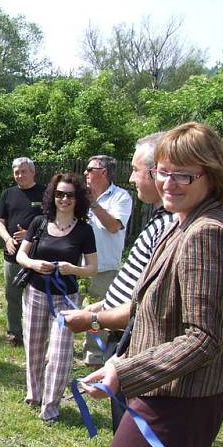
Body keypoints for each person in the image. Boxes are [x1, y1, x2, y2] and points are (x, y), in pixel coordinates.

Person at [80, 122, 223, 447]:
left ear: (211, 175)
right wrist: (120, 358)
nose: (168, 183)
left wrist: (125, 373)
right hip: (163, 392)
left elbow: (203, 338)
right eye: (164, 172)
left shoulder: (205, 234)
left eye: (183, 175)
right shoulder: (182, 222)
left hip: (179, 403)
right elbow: (151, 310)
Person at [63, 133, 175, 434]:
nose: (132, 177)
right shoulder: (165, 218)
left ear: (158, 173)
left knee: (133, 434)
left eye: (136, 170)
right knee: (123, 427)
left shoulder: (164, 219)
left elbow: (150, 305)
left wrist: (94, 317)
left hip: (137, 336)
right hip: (115, 317)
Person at [15, 173, 97, 424]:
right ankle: (34, 394)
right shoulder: (39, 222)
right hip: (36, 294)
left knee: (61, 354)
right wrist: (35, 264)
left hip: (66, 299)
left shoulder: (84, 230)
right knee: (35, 348)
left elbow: (92, 268)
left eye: (69, 195)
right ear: (53, 196)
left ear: (77, 199)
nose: (64, 199)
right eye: (59, 194)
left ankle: (50, 407)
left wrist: (72, 269)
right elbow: (21, 256)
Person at [83, 155, 133, 366]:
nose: (85, 173)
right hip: (77, 264)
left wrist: (93, 203)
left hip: (104, 265)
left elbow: (113, 226)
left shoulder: (121, 197)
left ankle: (94, 355)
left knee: (98, 314)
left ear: (103, 173)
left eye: (90, 169)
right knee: (67, 307)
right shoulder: (78, 195)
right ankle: (61, 348)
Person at [0, 158, 45, 346]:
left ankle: (36, 336)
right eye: (16, 172)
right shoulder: (8, 194)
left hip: (38, 255)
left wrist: (31, 234)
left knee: (37, 298)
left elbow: (54, 221)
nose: (20, 175)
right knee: (12, 295)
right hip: (12, 254)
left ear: (33, 172)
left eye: (23, 171)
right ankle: (14, 333)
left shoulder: (45, 193)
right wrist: (7, 238)